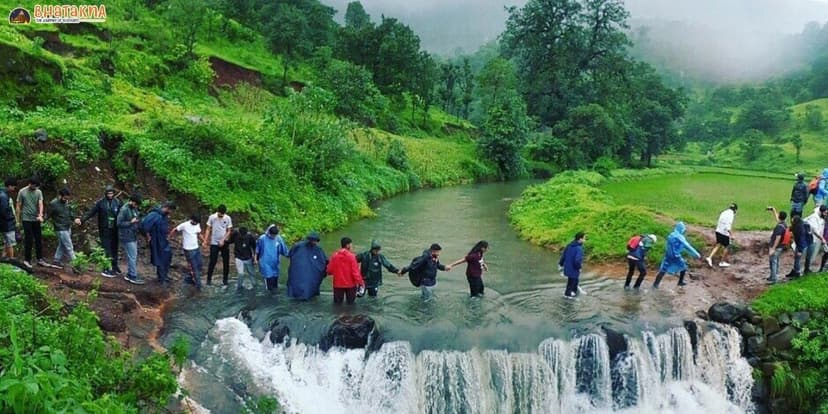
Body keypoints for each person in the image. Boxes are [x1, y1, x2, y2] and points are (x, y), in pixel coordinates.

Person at [81, 185, 122, 277]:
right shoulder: (100, 203)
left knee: (114, 248)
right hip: (104, 229)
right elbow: (91, 212)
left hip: (115, 229)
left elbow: (122, 214)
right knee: (106, 248)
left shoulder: (118, 202)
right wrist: (82, 219)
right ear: (105, 194)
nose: (110, 195)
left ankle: (115, 266)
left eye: (111, 193)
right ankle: (106, 267)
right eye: (108, 193)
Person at [653, 222, 701, 288]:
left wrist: (693, 254)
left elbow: (682, 247)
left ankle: (655, 285)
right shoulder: (679, 237)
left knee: (663, 270)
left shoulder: (671, 234)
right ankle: (680, 282)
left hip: (668, 255)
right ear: (681, 229)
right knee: (683, 267)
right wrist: (696, 254)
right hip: (675, 256)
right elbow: (687, 246)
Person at [142, 202, 176, 285]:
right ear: (167, 208)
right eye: (171, 210)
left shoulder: (164, 215)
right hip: (156, 240)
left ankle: (165, 275)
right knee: (160, 258)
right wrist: (148, 236)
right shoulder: (154, 214)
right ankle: (161, 278)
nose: (171, 213)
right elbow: (145, 226)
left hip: (164, 240)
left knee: (167, 256)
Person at [286, 231, 328, 300]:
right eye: (313, 241)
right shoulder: (300, 247)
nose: (314, 242)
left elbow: (290, 254)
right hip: (301, 273)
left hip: (302, 273)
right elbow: (323, 262)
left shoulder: (299, 246)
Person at [16, 177, 45, 268]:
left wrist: (40, 214)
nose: (36, 187)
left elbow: (40, 203)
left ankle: (39, 259)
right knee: (29, 239)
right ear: (30, 183)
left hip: (36, 218)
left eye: (37, 186)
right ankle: (27, 260)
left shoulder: (38, 192)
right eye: (34, 186)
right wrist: (18, 220)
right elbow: (18, 206)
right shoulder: (22, 191)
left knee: (38, 238)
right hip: (26, 218)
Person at [327, 237, 365, 305]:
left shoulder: (334, 256)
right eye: (351, 244)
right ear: (347, 245)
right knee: (351, 304)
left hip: (337, 284)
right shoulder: (352, 257)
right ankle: (349, 315)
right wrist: (361, 283)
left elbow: (329, 270)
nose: (352, 246)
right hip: (351, 285)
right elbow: (355, 273)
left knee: (337, 304)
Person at [48, 187, 81, 267]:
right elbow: (48, 214)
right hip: (60, 228)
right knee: (69, 246)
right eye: (64, 198)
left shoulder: (67, 202)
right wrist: (42, 219)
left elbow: (70, 212)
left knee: (62, 244)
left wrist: (75, 219)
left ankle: (56, 260)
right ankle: (76, 264)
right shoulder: (53, 204)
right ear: (60, 196)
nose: (66, 199)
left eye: (67, 198)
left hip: (67, 226)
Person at [117, 194, 144, 285]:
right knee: (132, 256)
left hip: (133, 235)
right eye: (136, 204)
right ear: (131, 201)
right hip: (126, 236)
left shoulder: (133, 209)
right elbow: (119, 223)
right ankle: (133, 276)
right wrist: (130, 222)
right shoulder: (124, 210)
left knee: (133, 256)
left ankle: (129, 274)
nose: (136, 206)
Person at [204, 205, 233, 286]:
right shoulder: (212, 217)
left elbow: (229, 231)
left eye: (223, 214)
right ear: (217, 211)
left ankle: (225, 279)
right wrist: (205, 240)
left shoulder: (227, 218)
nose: (221, 215)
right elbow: (208, 229)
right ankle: (209, 279)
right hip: (214, 242)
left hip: (224, 242)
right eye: (220, 214)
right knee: (212, 261)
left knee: (226, 262)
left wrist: (223, 240)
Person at [171, 214, 203, 290]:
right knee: (194, 267)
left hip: (196, 248)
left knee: (199, 265)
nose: (196, 223)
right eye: (195, 222)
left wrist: (204, 241)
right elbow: (175, 229)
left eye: (197, 222)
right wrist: (170, 237)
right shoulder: (184, 225)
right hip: (188, 249)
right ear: (191, 219)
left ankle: (189, 278)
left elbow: (199, 234)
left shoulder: (197, 225)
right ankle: (199, 286)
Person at [256, 225, 289, 292]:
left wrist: (290, 255)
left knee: (275, 282)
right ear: (269, 233)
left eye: (275, 235)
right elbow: (257, 250)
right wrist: (255, 259)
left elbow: (283, 249)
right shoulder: (262, 238)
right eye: (272, 235)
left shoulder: (278, 238)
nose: (274, 237)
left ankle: (275, 296)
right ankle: (269, 297)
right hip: (265, 263)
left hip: (275, 263)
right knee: (269, 281)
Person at [706, 203, 737, 268]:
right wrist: (731, 235)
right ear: (735, 210)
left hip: (718, 230)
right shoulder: (731, 215)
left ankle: (709, 257)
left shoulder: (724, 212)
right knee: (727, 246)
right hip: (724, 233)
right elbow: (728, 226)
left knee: (718, 244)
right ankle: (722, 262)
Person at [231, 227, 258, 291]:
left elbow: (254, 247)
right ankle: (239, 288)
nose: (243, 236)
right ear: (239, 233)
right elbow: (229, 241)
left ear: (247, 233)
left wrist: (255, 258)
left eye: (244, 234)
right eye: (242, 234)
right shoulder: (235, 235)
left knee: (251, 273)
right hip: (238, 257)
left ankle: (254, 286)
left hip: (248, 257)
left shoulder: (250, 237)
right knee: (241, 274)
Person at [560, 233, 586, 298]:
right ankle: (569, 297)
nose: (585, 240)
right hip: (574, 269)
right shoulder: (579, 248)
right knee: (572, 283)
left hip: (567, 268)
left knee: (572, 282)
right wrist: (579, 268)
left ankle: (572, 293)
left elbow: (563, 256)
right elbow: (577, 260)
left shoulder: (569, 245)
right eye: (584, 238)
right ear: (580, 239)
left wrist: (561, 264)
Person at [766, 207, 787, 285]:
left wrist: (773, 249)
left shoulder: (779, 227)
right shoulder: (784, 224)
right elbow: (777, 218)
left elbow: (778, 238)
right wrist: (773, 210)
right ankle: (773, 276)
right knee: (775, 261)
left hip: (775, 247)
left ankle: (774, 279)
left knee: (773, 262)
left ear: (780, 217)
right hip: (780, 247)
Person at [803, 205, 827, 275]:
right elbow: (814, 230)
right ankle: (806, 270)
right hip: (811, 239)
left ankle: (808, 269)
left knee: (814, 254)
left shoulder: (821, 217)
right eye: (825, 213)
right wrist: (822, 238)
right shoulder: (814, 217)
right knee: (810, 255)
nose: (826, 214)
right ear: (821, 212)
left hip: (817, 239)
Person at [0, 177, 18, 259]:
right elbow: (3, 211)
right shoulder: (3, 196)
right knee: (10, 243)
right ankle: (12, 261)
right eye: (14, 187)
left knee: (6, 242)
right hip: (7, 224)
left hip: (4, 223)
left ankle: (3, 258)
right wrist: (11, 218)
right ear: (10, 186)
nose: (14, 189)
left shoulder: (3, 193)